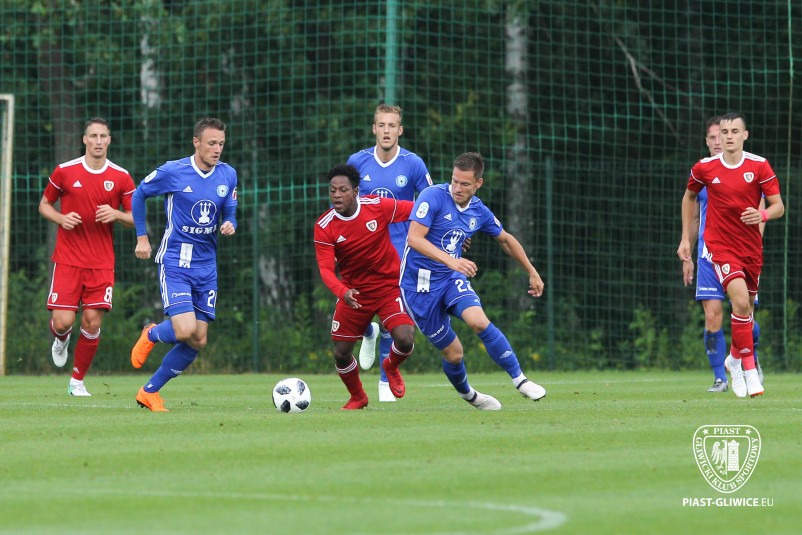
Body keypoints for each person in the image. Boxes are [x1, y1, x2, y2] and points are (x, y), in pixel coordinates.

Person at [400, 152, 547, 410]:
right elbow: (414, 239)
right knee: (454, 353)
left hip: (450, 278)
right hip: (418, 286)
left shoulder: (478, 211)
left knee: (479, 321)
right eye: (454, 181)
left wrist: (532, 271)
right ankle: (469, 395)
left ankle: (520, 379)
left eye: (465, 183)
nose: (457, 188)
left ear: (478, 183)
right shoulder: (432, 196)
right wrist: (452, 260)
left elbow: (505, 240)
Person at [129, 117, 238, 412]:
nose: (217, 149)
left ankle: (149, 391)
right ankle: (152, 333)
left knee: (198, 339)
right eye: (212, 143)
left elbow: (230, 210)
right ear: (196, 143)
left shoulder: (228, 174)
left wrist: (230, 223)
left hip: (207, 266)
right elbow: (139, 194)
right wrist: (142, 237)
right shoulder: (174, 171)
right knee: (185, 329)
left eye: (221, 144)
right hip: (176, 261)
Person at [679, 112, 783, 398]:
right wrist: (686, 242)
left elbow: (777, 206)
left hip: (749, 249)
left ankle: (736, 358)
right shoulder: (704, 168)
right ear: (710, 139)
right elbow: (690, 201)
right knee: (722, 310)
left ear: (744, 135)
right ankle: (739, 371)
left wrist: (761, 216)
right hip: (715, 250)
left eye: (733, 131)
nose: (725, 137)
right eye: (721, 133)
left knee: (744, 310)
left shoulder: (758, 166)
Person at [39, 118, 135, 396]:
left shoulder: (121, 176)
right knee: (63, 322)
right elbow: (44, 205)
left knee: (92, 322)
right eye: (93, 136)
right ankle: (61, 338)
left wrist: (116, 214)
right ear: (84, 139)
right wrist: (60, 218)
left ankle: (77, 381)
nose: (98, 141)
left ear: (109, 140)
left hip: (101, 263)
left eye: (103, 136)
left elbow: (135, 217)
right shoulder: (65, 171)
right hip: (67, 260)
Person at [347, 104, 432, 402]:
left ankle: (385, 381)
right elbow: (343, 205)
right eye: (381, 125)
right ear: (374, 129)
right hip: (361, 252)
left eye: (391, 125)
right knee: (355, 315)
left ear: (400, 130)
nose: (386, 131)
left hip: (399, 254)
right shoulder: (357, 161)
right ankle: (367, 334)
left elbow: (430, 203)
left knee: (392, 320)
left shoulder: (413, 164)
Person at [313, 164, 416, 409]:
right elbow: (326, 270)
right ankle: (358, 396)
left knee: (405, 339)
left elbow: (418, 212)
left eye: (343, 190)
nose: (337, 195)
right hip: (354, 293)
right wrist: (342, 292)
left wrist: (454, 231)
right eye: (332, 190)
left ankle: (390, 366)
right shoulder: (325, 226)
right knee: (341, 353)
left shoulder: (377, 206)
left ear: (356, 191)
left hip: (388, 287)